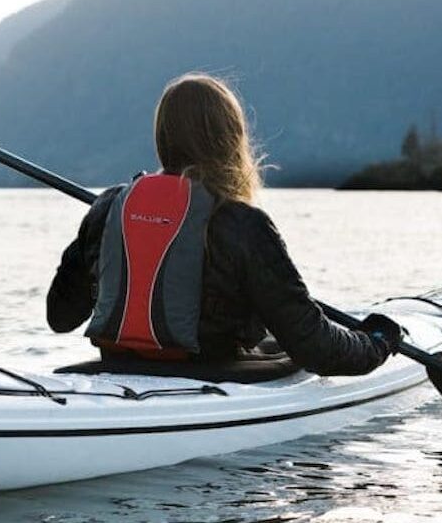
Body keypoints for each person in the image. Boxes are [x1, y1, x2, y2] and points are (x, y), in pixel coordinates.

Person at [46, 73, 400, 376]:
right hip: (213, 373)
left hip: (119, 367)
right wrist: (377, 343)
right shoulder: (242, 224)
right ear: (231, 140)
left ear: (162, 137)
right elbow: (317, 349)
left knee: (272, 341)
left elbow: (60, 316)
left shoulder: (108, 207)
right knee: (280, 343)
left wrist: (101, 232)